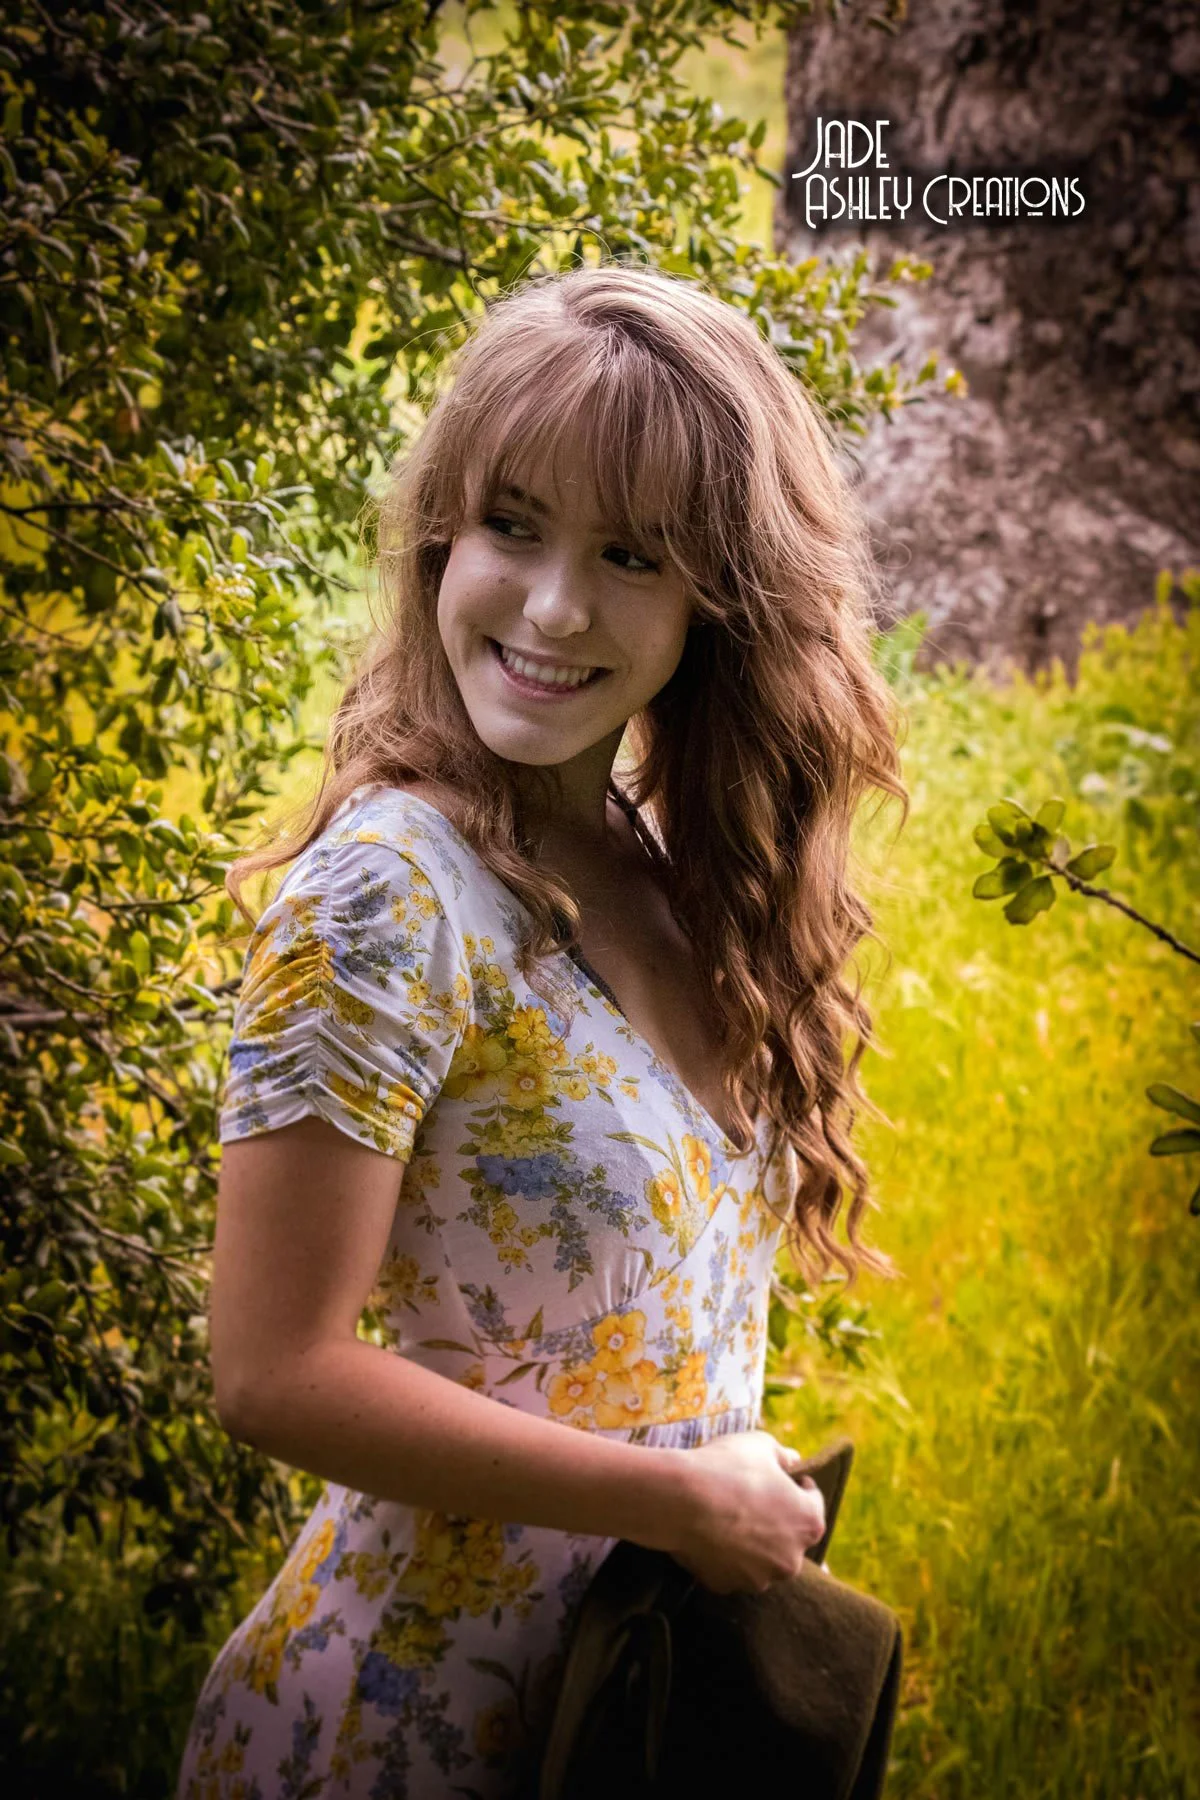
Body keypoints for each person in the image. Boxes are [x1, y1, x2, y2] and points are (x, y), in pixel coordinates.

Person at [176, 260, 906, 1800]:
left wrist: (696, 1492)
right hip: (409, 1720)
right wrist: (673, 1501)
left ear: (723, 596)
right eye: (514, 526)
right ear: (445, 530)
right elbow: (273, 1370)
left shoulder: (655, 852)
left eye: (633, 554)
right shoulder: (390, 894)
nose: (555, 606)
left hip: (620, 1706)